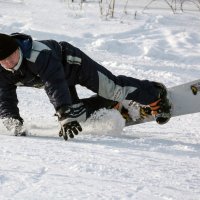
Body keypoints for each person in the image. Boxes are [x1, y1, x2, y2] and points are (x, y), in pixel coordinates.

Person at [0, 33, 171, 140]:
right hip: (59, 80)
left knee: (113, 89)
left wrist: (64, 114)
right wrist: (12, 122)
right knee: (77, 117)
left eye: (11, 56)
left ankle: (155, 93)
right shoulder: (2, 70)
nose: (8, 63)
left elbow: (54, 84)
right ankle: (111, 104)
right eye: (3, 60)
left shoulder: (38, 54)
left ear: (18, 49)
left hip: (74, 64)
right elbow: (4, 96)